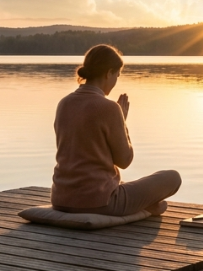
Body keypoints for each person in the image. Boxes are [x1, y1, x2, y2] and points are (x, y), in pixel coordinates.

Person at [51, 44, 182, 216]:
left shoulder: (64, 103)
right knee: (172, 178)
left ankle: (143, 205)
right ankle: (146, 207)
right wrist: (122, 122)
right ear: (108, 73)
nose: (115, 82)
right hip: (99, 202)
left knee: (129, 186)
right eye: (117, 76)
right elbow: (124, 160)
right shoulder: (109, 108)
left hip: (61, 199)